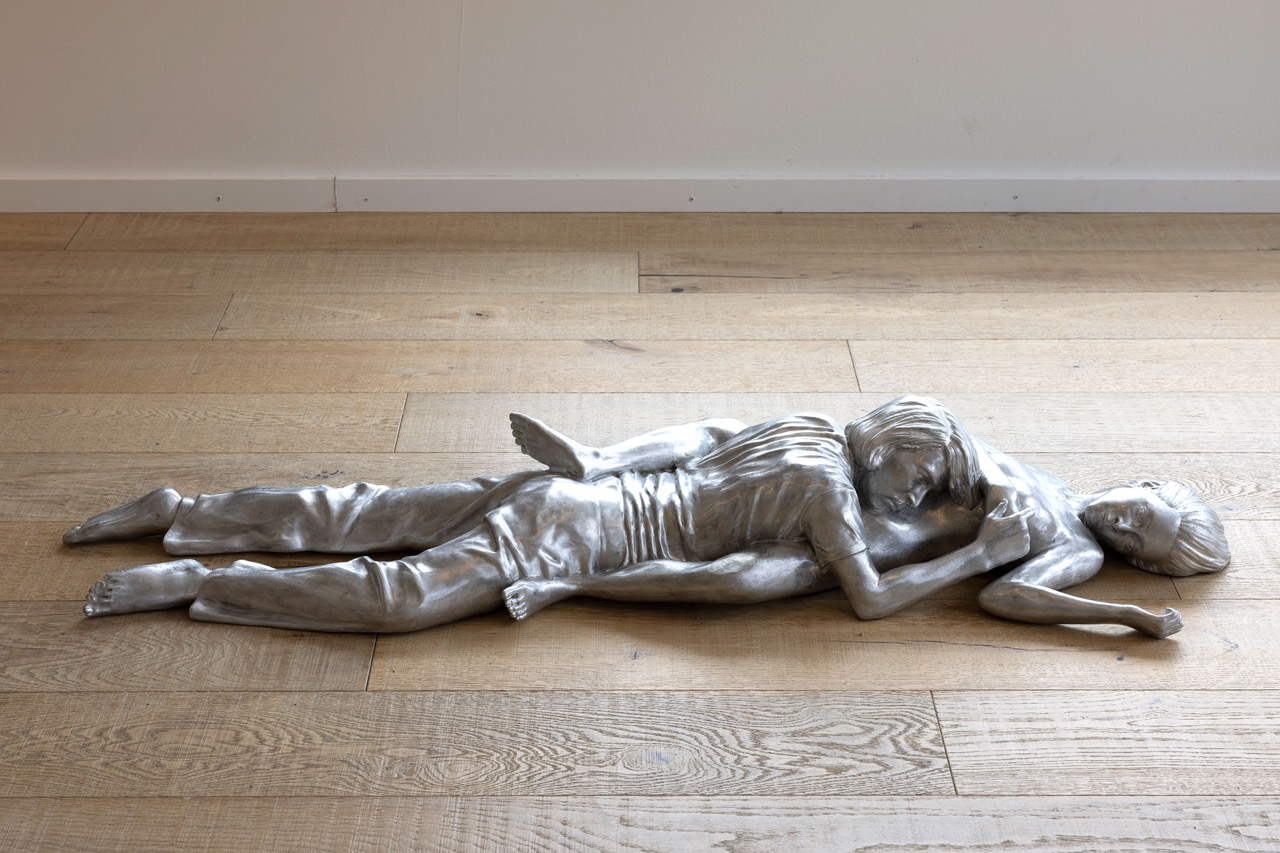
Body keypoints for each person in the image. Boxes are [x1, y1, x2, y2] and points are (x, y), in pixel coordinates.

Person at [70, 402, 1032, 634]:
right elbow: (867, 599)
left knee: (370, 508)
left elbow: (698, 432)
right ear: (894, 439)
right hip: (579, 534)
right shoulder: (830, 502)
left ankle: (185, 510)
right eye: (923, 473)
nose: (919, 496)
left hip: (575, 495)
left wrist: (602, 458)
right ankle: (204, 576)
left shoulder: (805, 426)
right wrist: (975, 553)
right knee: (400, 595)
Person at [506, 397, 1231, 638]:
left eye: (1137, 539)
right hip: (876, 482)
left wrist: (1124, 616)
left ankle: (574, 585)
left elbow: (1006, 594)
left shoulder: (1079, 549)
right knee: (729, 433)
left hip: (875, 546)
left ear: (1134, 559)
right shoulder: (1043, 476)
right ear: (1142, 483)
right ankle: (599, 460)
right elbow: (939, 436)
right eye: (1141, 510)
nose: (1123, 523)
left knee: (741, 579)